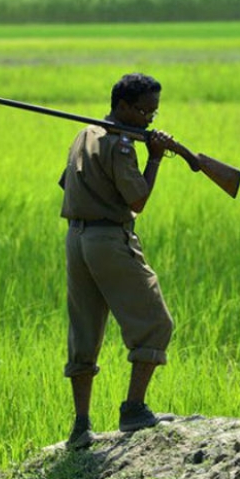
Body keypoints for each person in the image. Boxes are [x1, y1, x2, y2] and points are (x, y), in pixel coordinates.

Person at [59, 73, 175, 450]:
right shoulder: (122, 146)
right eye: (144, 112)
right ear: (122, 106)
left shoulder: (85, 135)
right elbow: (137, 199)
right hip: (109, 239)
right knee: (156, 323)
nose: (149, 119)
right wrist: (154, 158)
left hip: (77, 239)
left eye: (153, 114)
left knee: (84, 331)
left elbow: (67, 183)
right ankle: (134, 409)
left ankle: (81, 427)